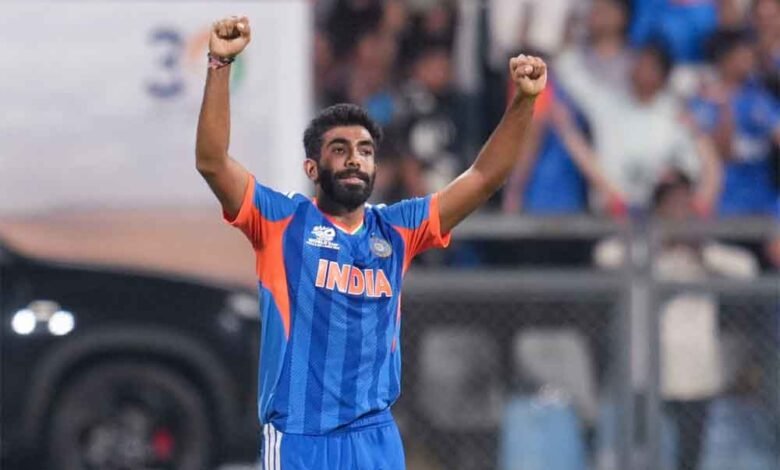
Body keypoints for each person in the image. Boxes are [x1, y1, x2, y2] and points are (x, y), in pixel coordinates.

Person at [195, 16, 547, 469]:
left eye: (365, 151)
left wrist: (524, 101)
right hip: (300, 437)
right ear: (312, 169)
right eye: (339, 149)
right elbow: (212, 161)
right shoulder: (281, 221)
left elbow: (484, 177)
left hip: (374, 439)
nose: (354, 159)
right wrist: (220, 64)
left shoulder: (396, 229)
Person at [594, 170, 758, 470]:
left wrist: (701, 254)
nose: (678, 211)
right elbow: (604, 256)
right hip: (646, 376)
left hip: (695, 378)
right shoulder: (642, 250)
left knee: (690, 458)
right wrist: (658, 245)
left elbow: (747, 270)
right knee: (643, 455)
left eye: (684, 202)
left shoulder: (706, 253)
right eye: (670, 204)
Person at [555, 43, 721, 213]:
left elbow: (701, 170)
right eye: (639, 63)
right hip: (616, 212)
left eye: (650, 66)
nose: (641, 70)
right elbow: (571, 75)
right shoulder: (607, 104)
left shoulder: (676, 113)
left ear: (663, 75)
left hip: (664, 213)